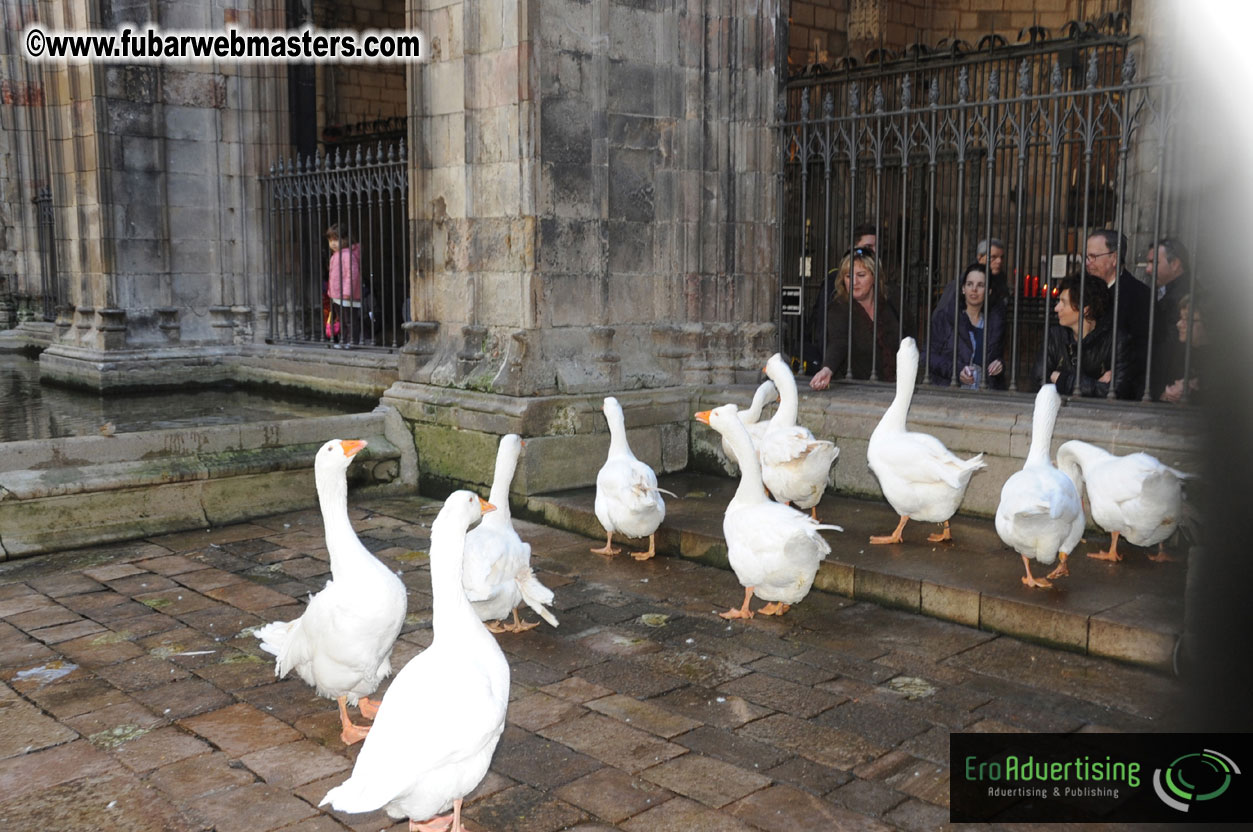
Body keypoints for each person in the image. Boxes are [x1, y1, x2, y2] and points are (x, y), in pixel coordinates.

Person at [809, 249, 903, 387]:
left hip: (895, 386)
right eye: (848, 276)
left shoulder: (891, 302)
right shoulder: (839, 308)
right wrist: (827, 369)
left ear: (874, 277)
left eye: (861, 275)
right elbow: (838, 342)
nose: (854, 281)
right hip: (857, 388)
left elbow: (908, 336)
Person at [1034, 274, 1134, 398]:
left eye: (1063, 303)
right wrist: (1095, 384)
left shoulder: (1116, 341)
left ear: (1085, 309)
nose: (1056, 308)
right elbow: (1039, 381)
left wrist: (1061, 379)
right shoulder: (1055, 336)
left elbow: (1119, 391)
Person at [1084, 229, 1151, 396]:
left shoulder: (1139, 295)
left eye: (1093, 257)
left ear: (1114, 258)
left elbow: (1144, 345)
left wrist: (1119, 371)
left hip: (1120, 388)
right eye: (1086, 257)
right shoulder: (1084, 291)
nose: (1087, 263)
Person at [928, 262, 1006, 389]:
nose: (974, 289)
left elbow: (996, 357)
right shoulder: (946, 318)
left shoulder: (994, 324)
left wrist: (999, 365)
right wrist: (956, 371)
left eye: (980, 285)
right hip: (950, 391)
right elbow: (928, 356)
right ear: (963, 289)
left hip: (983, 394)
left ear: (988, 291)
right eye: (969, 284)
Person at [1145, 237, 1193, 398]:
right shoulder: (1164, 290)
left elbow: (1171, 347)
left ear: (1175, 264)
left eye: (1154, 263)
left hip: (1172, 384)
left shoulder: (1185, 296)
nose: (1148, 269)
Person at [933, 238, 1008, 319]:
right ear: (980, 257)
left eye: (1001, 257)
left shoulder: (1000, 279)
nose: (999, 261)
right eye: (993, 257)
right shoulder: (964, 281)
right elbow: (941, 314)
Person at [1160, 293, 1207, 404]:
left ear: (1208, 323)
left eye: (1188, 319)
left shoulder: (1223, 359)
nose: (1179, 324)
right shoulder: (1178, 352)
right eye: (1181, 318)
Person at [326, 224, 363, 348]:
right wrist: (331, 291)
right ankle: (344, 341)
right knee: (342, 320)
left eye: (336, 240)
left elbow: (352, 275)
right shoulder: (335, 255)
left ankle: (352, 342)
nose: (333, 243)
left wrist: (347, 292)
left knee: (349, 320)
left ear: (345, 239)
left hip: (347, 295)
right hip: (337, 295)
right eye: (330, 240)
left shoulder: (347, 255)